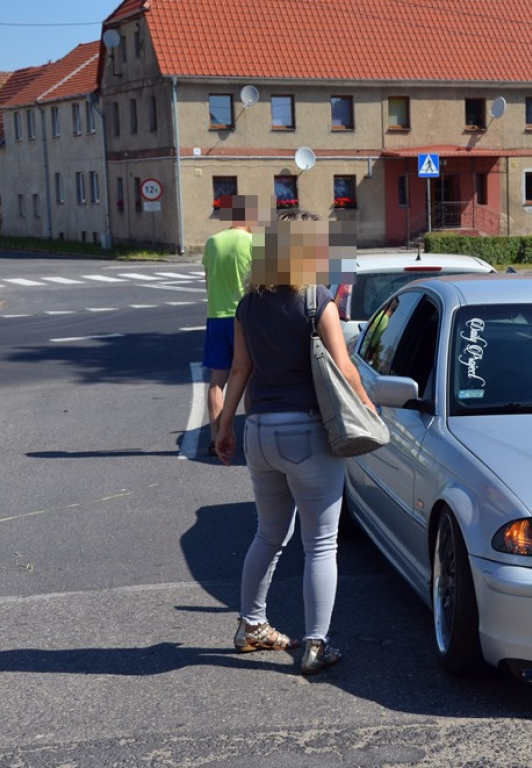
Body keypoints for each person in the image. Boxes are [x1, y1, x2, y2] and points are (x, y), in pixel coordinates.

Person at [215, 216, 369, 676]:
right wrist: (369, 408)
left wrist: (223, 428)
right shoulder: (315, 301)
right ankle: (316, 644)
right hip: (307, 433)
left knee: (268, 534)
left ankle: (252, 625)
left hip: (259, 432)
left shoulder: (247, 306)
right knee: (321, 544)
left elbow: (239, 371)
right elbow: (343, 366)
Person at [202, 195, 261, 455]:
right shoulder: (253, 242)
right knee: (248, 377)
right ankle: (249, 437)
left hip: (216, 315)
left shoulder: (212, 242)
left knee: (217, 380)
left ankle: (216, 438)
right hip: (245, 315)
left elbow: (208, 279)